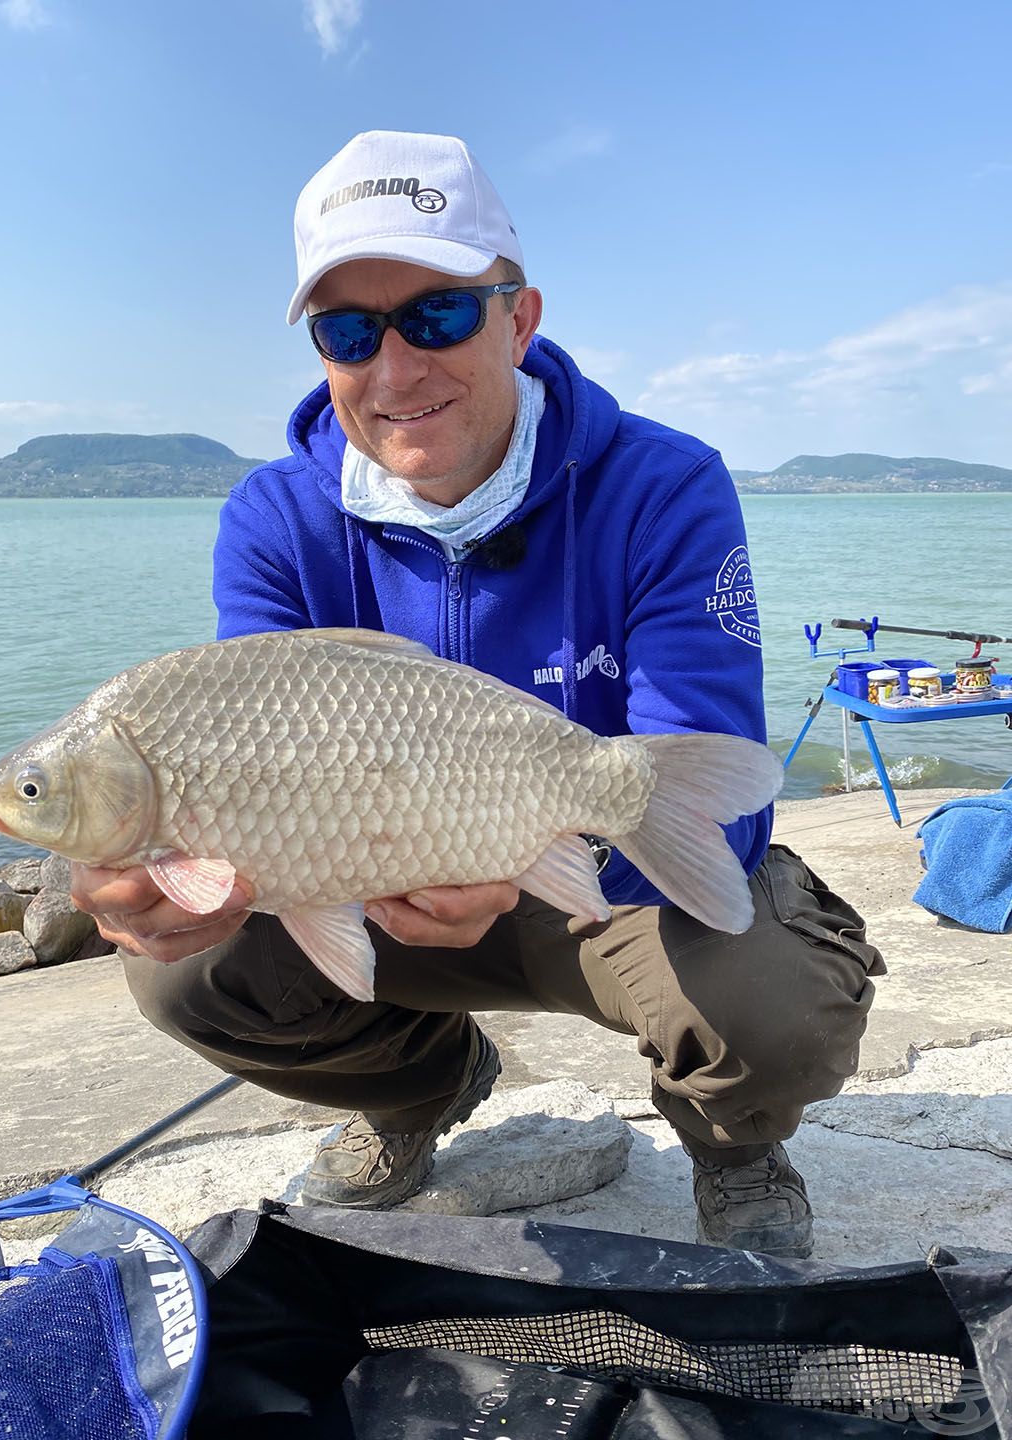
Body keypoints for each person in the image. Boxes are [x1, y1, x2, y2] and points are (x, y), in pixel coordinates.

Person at [71, 130, 884, 1259]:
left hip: (599, 877)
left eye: (439, 314)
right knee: (190, 974)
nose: (396, 369)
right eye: (349, 332)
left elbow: (723, 803)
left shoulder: (662, 484)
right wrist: (181, 880)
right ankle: (420, 1089)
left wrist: (526, 862)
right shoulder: (272, 518)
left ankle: (730, 1135)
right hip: (381, 888)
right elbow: (245, 777)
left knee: (773, 998)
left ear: (520, 316)